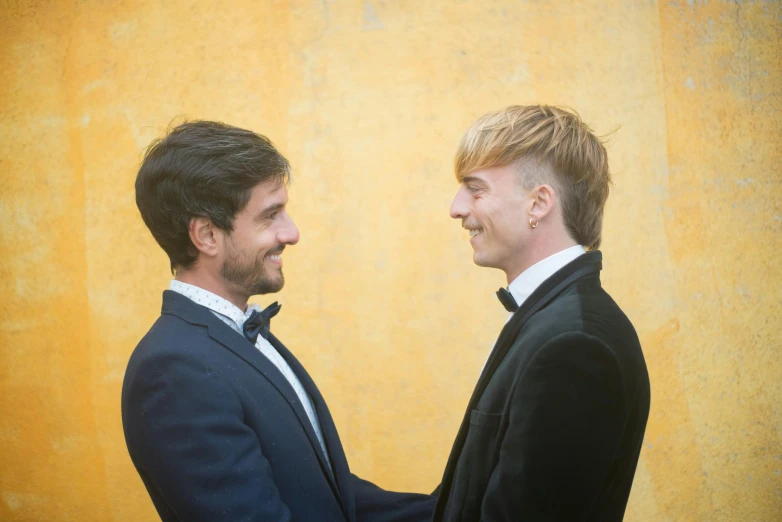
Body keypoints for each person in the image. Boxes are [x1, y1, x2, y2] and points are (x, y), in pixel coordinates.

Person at [122, 121, 435, 522]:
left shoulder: (237, 338)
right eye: (271, 215)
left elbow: (326, 494)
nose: (292, 233)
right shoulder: (172, 370)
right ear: (207, 235)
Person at [432, 105, 651, 522]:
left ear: (539, 203)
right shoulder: (554, 321)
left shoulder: (575, 345)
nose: (456, 208)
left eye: (475, 189)